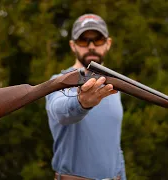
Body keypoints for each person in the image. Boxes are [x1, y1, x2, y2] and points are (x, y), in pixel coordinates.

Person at [45, 13, 126, 180]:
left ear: (108, 43)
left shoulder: (114, 85)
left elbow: (114, 148)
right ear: (73, 45)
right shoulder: (58, 83)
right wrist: (80, 102)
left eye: (98, 40)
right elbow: (59, 110)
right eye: (83, 40)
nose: (91, 46)